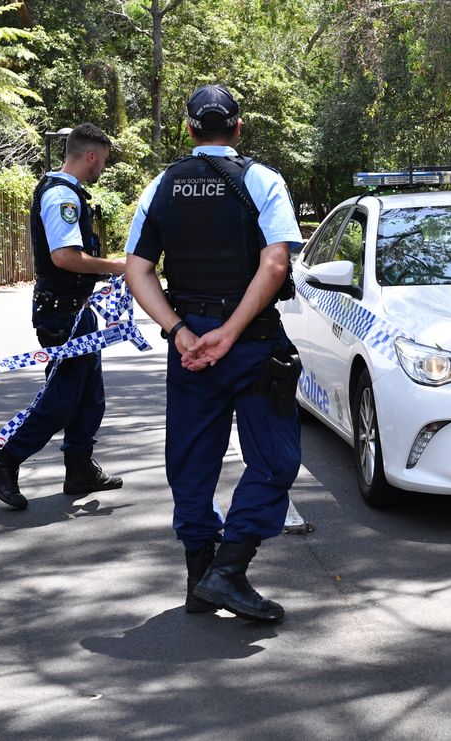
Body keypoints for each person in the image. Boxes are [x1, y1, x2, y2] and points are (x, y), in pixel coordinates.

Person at [125, 85, 303, 623]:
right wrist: (230, 331)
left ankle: (200, 577)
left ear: (189, 130)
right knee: (274, 459)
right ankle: (227, 572)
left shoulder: (160, 184)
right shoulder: (262, 180)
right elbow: (274, 265)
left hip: (191, 340)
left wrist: (178, 329)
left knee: (192, 462)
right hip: (247, 339)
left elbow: (137, 269)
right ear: (239, 127)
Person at [0, 124, 126, 509]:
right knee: (61, 398)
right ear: (90, 155)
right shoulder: (62, 195)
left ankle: (79, 468)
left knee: (89, 396)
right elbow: (64, 257)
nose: (103, 169)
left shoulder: (64, 191)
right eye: (104, 161)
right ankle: (3, 463)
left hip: (76, 309)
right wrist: (115, 266)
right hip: (63, 313)